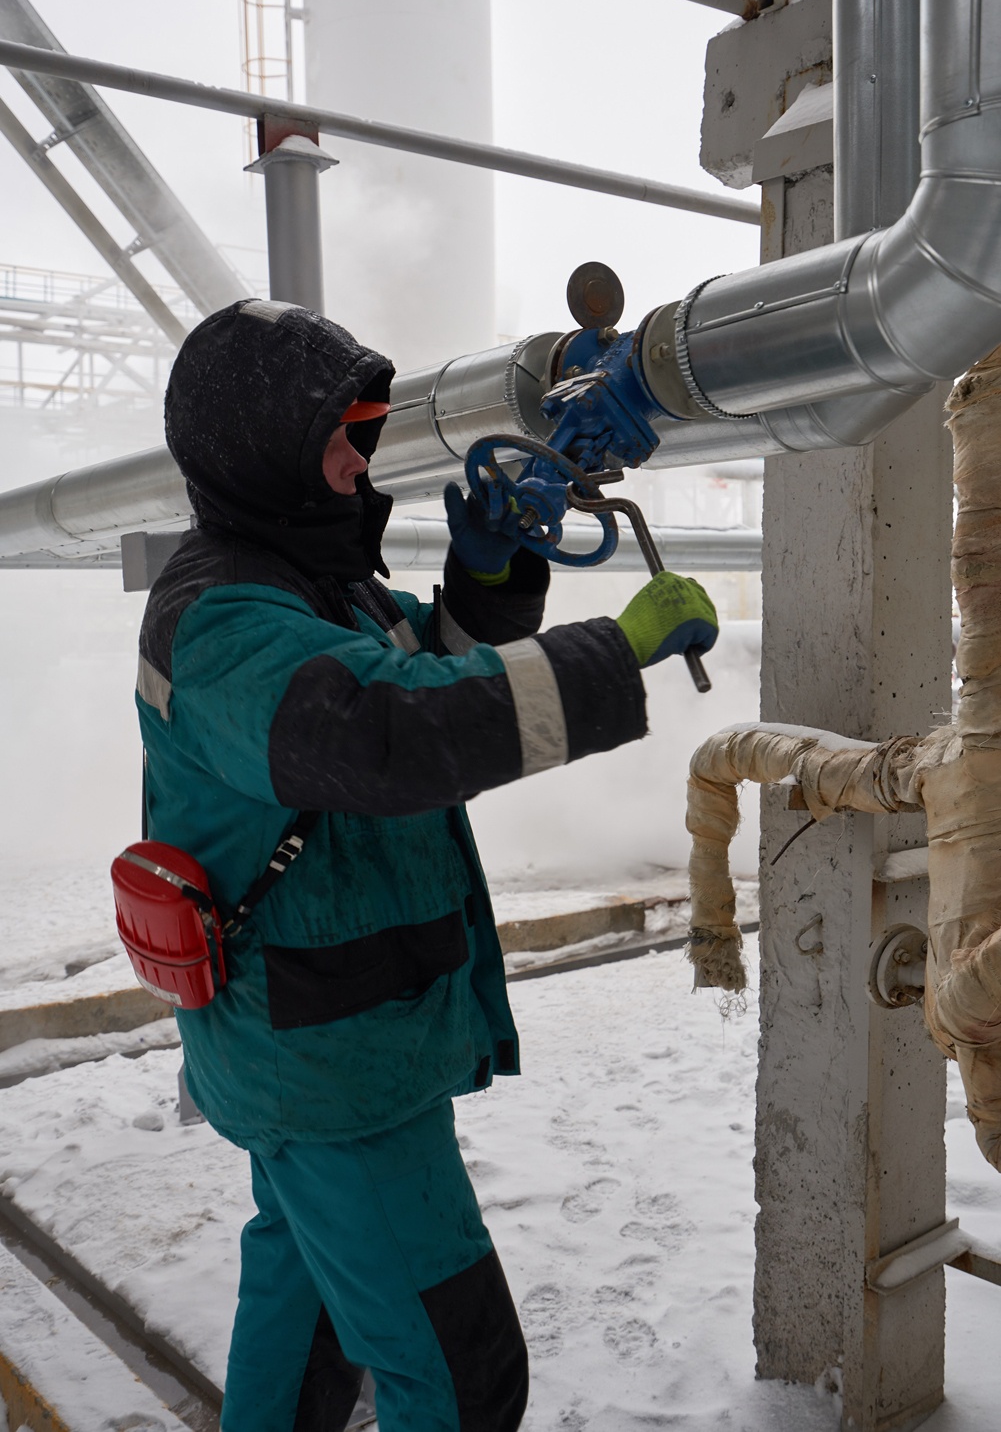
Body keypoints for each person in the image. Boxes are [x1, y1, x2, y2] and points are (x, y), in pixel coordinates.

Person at [135, 299, 718, 1432]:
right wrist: (621, 648)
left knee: (303, 1322)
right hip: (328, 1062)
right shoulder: (219, 622)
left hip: (325, 1038)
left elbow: (431, 667)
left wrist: (488, 575)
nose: (361, 462)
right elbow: (387, 736)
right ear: (263, 450)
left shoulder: (314, 589)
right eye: (341, 437)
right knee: (458, 1374)